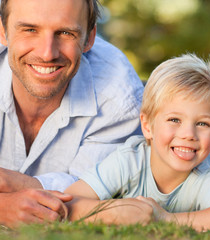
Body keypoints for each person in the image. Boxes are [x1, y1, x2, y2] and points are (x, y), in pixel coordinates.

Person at [64, 54, 210, 232]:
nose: (189, 134)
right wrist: (115, 211)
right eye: (174, 120)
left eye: (202, 124)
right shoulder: (130, 160)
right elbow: (68, 202)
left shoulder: (205, 171)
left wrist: (164, 218)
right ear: (147, 126)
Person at [0, 0, 144, 227]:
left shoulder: (120, 97)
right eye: (30, 29)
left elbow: (90, 190)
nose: (47, 53)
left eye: (65, 33)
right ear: (2, 30)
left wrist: (11, 183)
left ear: (89, 38)